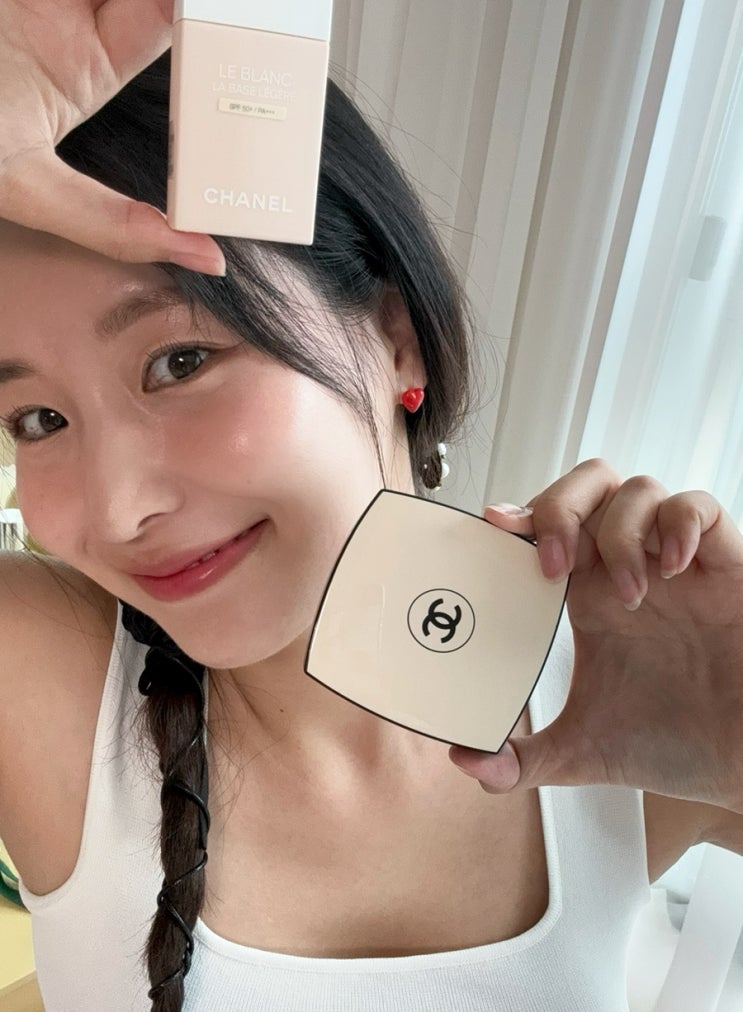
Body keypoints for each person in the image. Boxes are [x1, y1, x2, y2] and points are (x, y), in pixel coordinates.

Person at [0, 3, 741, 1010]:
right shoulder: (43, 677)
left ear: (396, 335)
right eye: (38, 419)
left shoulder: (622, 686)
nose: (119, 509)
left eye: (180, 360)